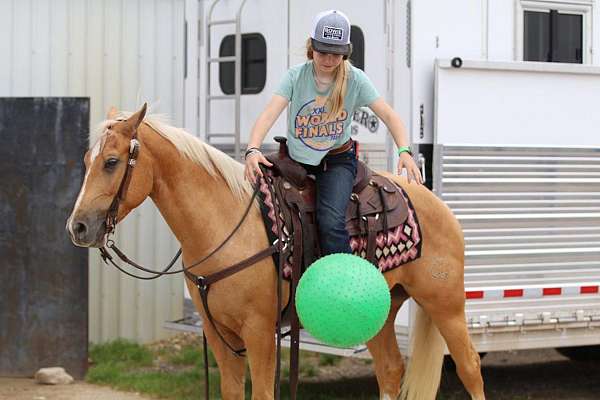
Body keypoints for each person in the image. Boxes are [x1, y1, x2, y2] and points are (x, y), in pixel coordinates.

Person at [244, 9, 422, 256]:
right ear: (311, 47)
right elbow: (268, 114)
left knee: (330, 221)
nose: (328, 59)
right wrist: (252, 148)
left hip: (336, 161)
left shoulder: (356, 80)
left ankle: (344, 280)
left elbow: (390, 116)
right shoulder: (296, 77)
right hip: (295, 158)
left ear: (345, 53)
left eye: (336, 54)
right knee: (261, 204)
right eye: (323, 52)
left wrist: (404, 150)